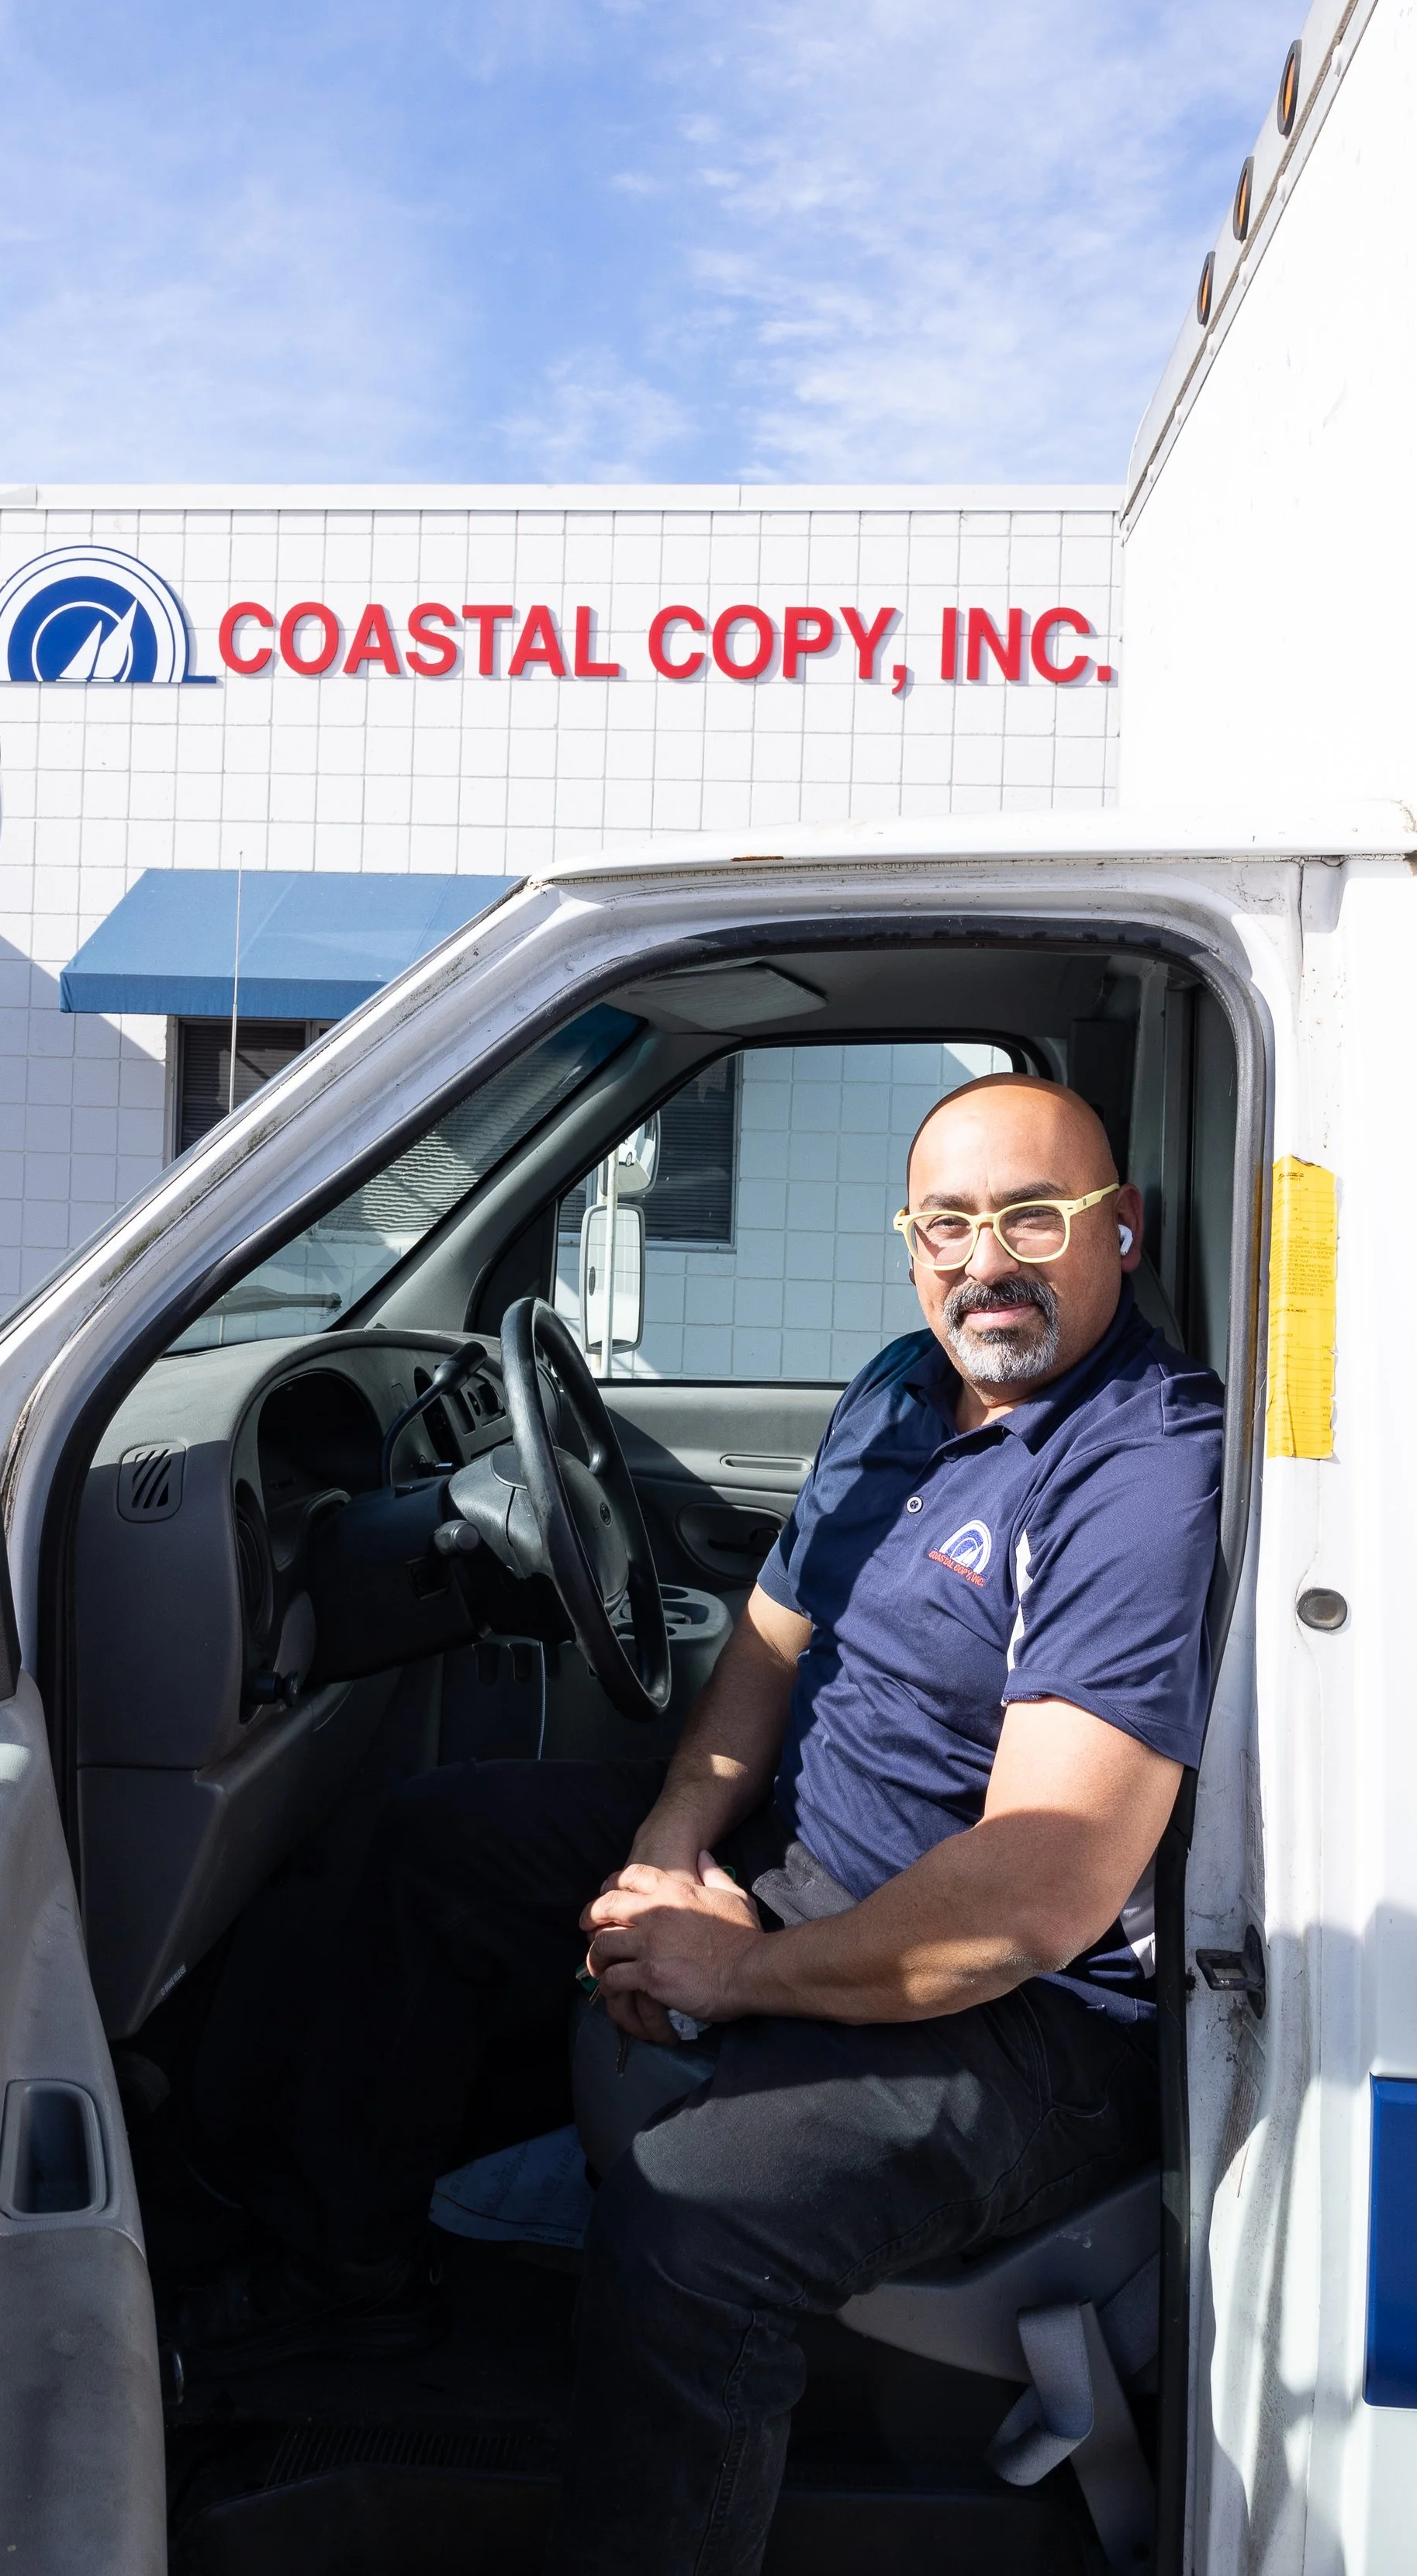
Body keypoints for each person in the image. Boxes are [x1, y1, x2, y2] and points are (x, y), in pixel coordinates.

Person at [178, 1076, 1223, 2576]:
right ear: (910, 1247)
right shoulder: (900, 1392)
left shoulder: (1134, 1461)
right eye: (948, 1224)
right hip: (807, 1858)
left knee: (696, 2225)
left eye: (1034, 1217)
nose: (986, 1261)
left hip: (1031, 2020)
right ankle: (346, 2276)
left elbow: (1038, 1888)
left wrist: (733, 1972)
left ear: (1122, 1227)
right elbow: (767, 1650)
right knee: (440, 1845)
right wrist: (669, 1851)